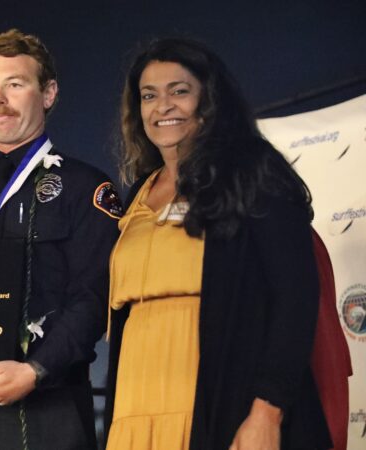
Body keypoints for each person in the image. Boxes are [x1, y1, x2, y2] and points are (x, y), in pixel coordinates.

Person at [103, 37, 332, 450]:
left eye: (179, 91)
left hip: (222, 400)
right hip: (134, 407)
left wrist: (267, 411)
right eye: (149, 95)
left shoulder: (252, 172)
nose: (163, 106)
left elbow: (295, 296)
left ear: (209, 100)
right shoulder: (138, 192)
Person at [0, 29, 120, 449]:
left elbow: (93, 298)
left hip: (52, 406)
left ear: (48, 93)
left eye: (15, 84)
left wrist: (35, 370)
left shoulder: (84, 187)